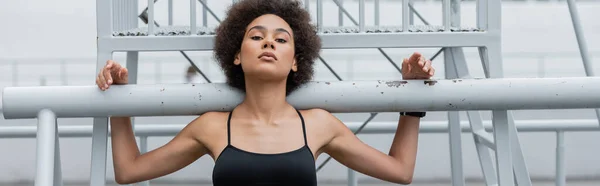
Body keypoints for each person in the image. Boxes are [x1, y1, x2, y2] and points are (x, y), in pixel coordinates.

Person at [95, 0, 435, 185]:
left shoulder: (317, 125)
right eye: (257, 36)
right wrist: (119, 98)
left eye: (281, 39)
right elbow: (129, 171)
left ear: (296, 62)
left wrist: (412, 98)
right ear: (237, 55)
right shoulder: (212, 126)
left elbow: (400, 171)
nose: (269, 42)